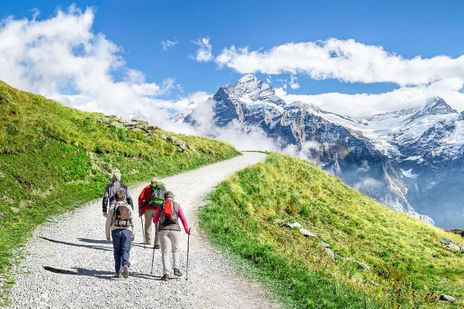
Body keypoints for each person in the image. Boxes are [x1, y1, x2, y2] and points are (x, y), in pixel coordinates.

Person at [153, 191, 190, 281]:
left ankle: (166, 274)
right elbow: (183, 219)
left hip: (163, 230)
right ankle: (176, 269)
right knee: (176, 250)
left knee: (165, 252)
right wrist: (187, 230)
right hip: (175, 230)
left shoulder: (161, 205)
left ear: (164, 198)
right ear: (173, 197)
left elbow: (154, 220)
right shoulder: (177, 205)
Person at [106, 190, 135, 279]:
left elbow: (108, 222)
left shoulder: (112, 207)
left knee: (117, 252)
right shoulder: (129, 207)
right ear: (124, 197)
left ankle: (118, 272)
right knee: (125, 250)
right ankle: (125, 263)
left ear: (115, 197)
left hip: (116, 231)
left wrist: (107, 234)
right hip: (127, 230)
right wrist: (133, 233)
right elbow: (132, 221)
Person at [138, 178, 165, 248]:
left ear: (151, 182)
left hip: (148, 209)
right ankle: (157, 243)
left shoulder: (147, 188)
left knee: (148, 224)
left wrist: (140, 208)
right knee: (158, 225)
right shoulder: (161, 188)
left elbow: (140, 198)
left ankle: (148, 240)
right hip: (158, 209)